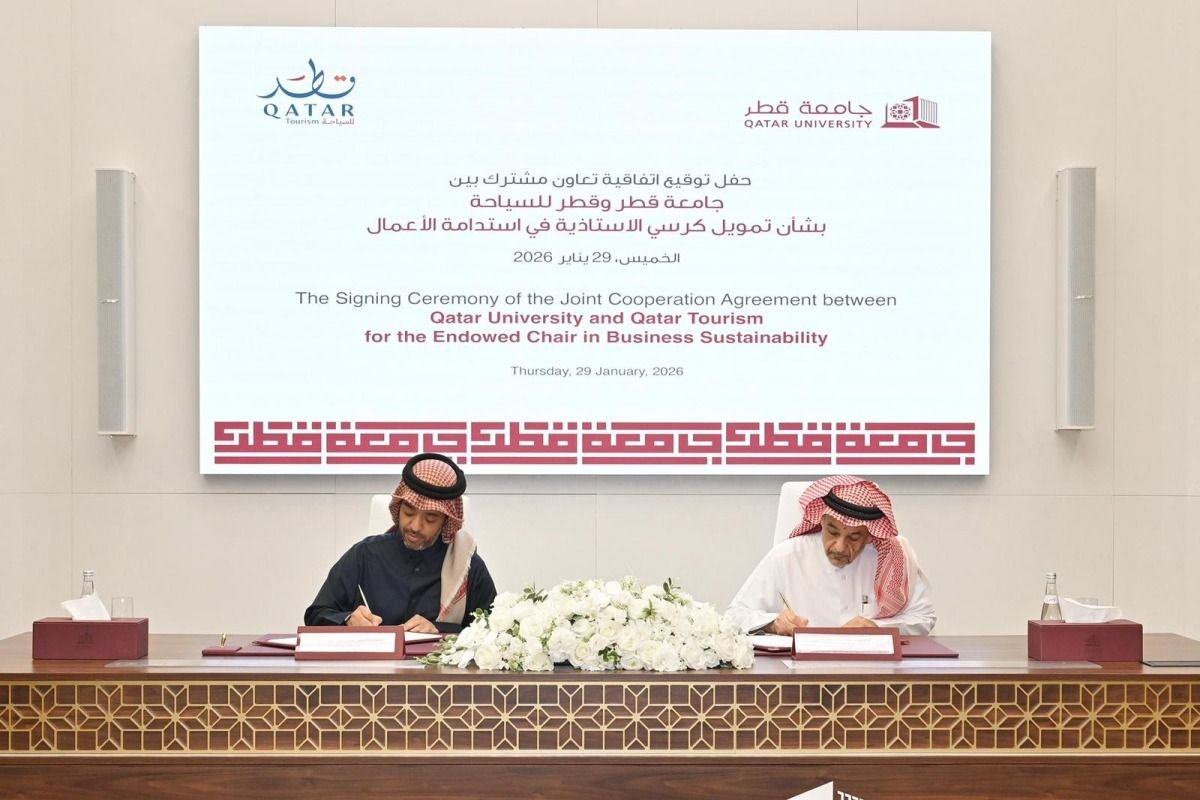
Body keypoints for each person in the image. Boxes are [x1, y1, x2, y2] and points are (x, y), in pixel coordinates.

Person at [304, 453, 497, 633]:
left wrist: (440, 631)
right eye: (409, 512)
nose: (415, 526)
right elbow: (316, 615)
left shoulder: (467, 568)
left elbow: (493, 632)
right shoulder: (364, 555)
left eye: (430, 518)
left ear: (446, 521)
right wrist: (348, 619)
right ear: (398, 507)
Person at [727, 475, 935, 636]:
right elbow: (735, 616)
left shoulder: (892, 558)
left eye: (854, 537)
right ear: (822, 521)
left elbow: (923, 617)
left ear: (870, 536)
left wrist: (877, 627)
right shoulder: (788, 555)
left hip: (868, 671)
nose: (840, 547)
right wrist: (773, 624)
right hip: (801, 673)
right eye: (833, 532)